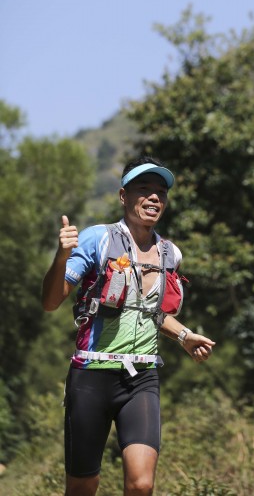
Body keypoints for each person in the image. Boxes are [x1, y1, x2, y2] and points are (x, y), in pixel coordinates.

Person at [42, 156, 215, 496]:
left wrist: (184, 336)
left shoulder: (170, 254)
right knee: (83, 485)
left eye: (161, 192)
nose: (154, 197)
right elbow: (50, 302)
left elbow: (151, 312)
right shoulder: (98, 239)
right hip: (91, 375)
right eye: (144, 189)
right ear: (124, 196)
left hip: (141, 378)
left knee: (141, 483)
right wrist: (61, 256)